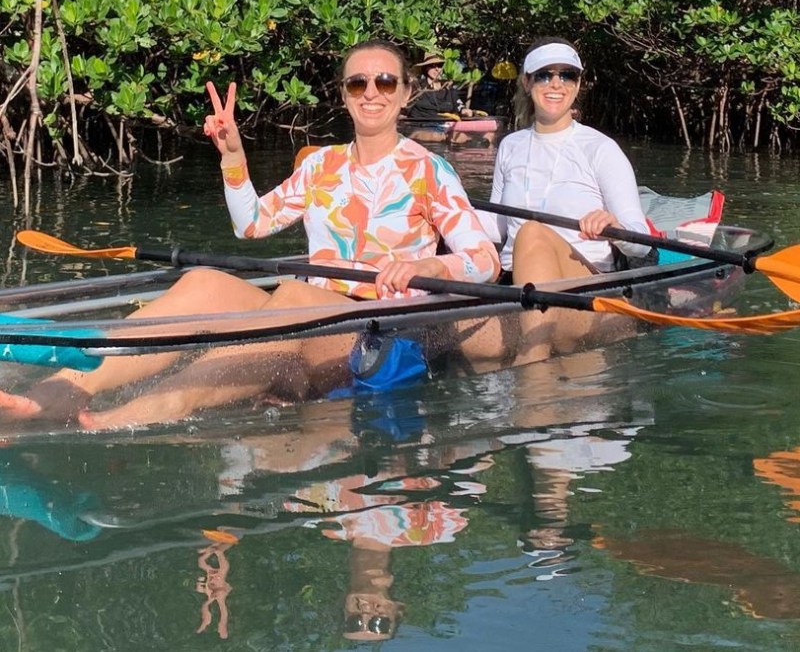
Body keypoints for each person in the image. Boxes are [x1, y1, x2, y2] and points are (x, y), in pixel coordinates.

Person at [0, 40, 500, 428]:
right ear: (344, 94)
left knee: (293, 295)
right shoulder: (322, 164)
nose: (372, 93)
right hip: (312, 310)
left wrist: (429, 266)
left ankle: (156, 407)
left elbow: (484, 260)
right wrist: (234, 159)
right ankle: (65, 388)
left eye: (386, 82)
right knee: (203, 282)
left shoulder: (430, 170)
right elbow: (252, 225)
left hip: (379, 332)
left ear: (406, 92)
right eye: (358, 83)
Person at [479, 37, 652, 363]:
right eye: (545, 74)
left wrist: (613, 226)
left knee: (532, 231)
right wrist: (446, 210)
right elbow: (496, 228)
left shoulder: (600, 149)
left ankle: (531, 368)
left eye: (567, 75)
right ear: (527, 82)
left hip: (587, 293)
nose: (556, 84)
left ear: (578, 84)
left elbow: (641, 242)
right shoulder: (510, 146)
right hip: (515, 287)